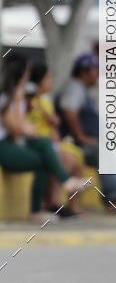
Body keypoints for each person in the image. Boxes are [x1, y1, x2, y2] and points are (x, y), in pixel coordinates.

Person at [0, 55, 88, 221]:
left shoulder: (18, 98)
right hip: (3, 146)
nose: (28, 78)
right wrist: (19, 102)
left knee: (44, 146)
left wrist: (26, 125)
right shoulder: (6, 98)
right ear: (20, 74)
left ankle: (41, 207)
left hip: (11, 143)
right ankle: (61, 188)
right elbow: (16, 130)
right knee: (44, 157)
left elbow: (25, 128)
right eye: (26, 73)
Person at [56, 53, 116, 212]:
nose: (97, 75)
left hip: (86, 140)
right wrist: (80, 136)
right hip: (72, 143)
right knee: (106, 153)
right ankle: (114, 200)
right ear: (84, 72)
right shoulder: (75, 87)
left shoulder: (82, 89)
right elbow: (70, 112)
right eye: (95, 70)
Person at [26, 61, 86, 217]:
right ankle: (54, 202)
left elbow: (54, 127)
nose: (51, 82)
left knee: (78, 160)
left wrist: (55, 130)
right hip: (37, 141)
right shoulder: (30, 101)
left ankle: (73, 205)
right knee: (63, 159)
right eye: (48, 78)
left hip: (52, 141)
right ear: (38, 81)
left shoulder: (46, 100)